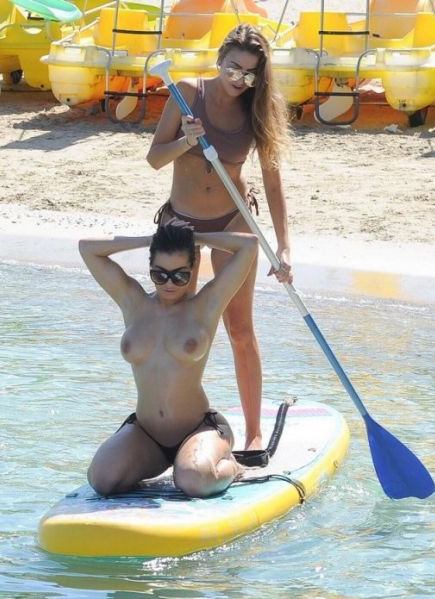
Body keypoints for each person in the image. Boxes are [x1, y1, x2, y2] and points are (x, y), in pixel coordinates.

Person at [146, 23, 292, 451]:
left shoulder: (257, 109)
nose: (239, 79)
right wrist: (185, 141)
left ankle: (254, 433)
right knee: (181, 328)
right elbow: (155, 158)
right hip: (181, 224)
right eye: (233, 68)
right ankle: (175, 420)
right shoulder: (186, 93)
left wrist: (284, 246)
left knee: (240, 330)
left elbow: (272, 181)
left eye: (249, 73)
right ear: (219, 60)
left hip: (233, 222)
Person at [79, 220, 258, 498]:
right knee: (102, 480)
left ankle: (231, 466)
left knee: (195, 480)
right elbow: (87, 248)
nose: (169, 283)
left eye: (180, 275)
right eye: (159, 274)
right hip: (146, 434)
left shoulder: (205, 305)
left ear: (192, 269)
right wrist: (152, 239)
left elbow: (248, 245)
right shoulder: (133, 301)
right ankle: (175, 464)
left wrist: (194, 238)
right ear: (150, 268)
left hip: (197, 429)